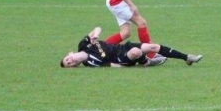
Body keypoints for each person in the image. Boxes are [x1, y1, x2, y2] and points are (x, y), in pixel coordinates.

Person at [60, 26, 203, 68]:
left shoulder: (83, 45)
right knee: (136, 51)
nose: (70, 61)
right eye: (70, 64)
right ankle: (145, 63)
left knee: (153, 47)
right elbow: (110, 65)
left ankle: (187, 58)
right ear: (75, 65)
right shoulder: (91, 63)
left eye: (67, 59)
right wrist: (127, 66)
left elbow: (97, 28)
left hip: (122, 47)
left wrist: (95, 35)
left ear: (69, 53)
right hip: (121, 57)